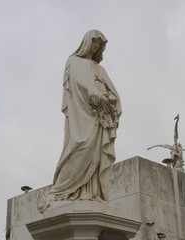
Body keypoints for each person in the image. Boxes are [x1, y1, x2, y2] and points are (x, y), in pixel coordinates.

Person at [38, 30, 121, 212]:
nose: (96, 47)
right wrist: (98, 97)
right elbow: (79, 86)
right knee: (81, 146)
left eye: (100, 45)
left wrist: (111, 98)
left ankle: (91, 193)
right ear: (86, 43)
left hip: (100, 117)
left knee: (97, 154)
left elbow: (112, 90)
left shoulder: (100, 69)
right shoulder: (74, 61)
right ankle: (60, 191)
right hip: (83, 114)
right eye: (94, 42)